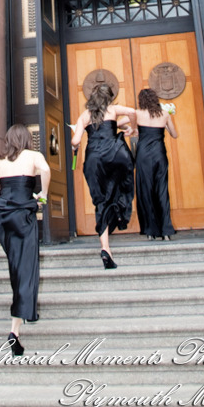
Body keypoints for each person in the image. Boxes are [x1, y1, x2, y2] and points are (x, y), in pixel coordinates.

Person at [0, 124, 50, 356]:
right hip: (23, 216)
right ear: (26, 139)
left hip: (2, 215)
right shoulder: (33, 156)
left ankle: (24, 315)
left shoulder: (0, 161)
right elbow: (46, 169)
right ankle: (15, 330)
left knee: (17, 267)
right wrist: (43, 194)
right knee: (25, 269)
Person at [71, 82, 136, 269]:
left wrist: (75, 145)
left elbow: (76, 140)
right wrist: (133, 128)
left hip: (95, 161)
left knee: (101, 201)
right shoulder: (113, 110)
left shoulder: (85, 115)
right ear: (109, 98)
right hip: (115, 155)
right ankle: (119, 213)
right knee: (118, 189)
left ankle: (105, 248)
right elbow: (132, 111)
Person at [135, 87, 178, 240]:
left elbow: (119, 123)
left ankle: (150, 231)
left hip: (143, 156)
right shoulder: (164, 114)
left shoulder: (138, 114)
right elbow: (174, 134)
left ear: (141, 101)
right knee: (162, 190)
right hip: (159, 154)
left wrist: (133, 129)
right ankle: (166, 231)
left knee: (146, 190)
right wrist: (164, 124)